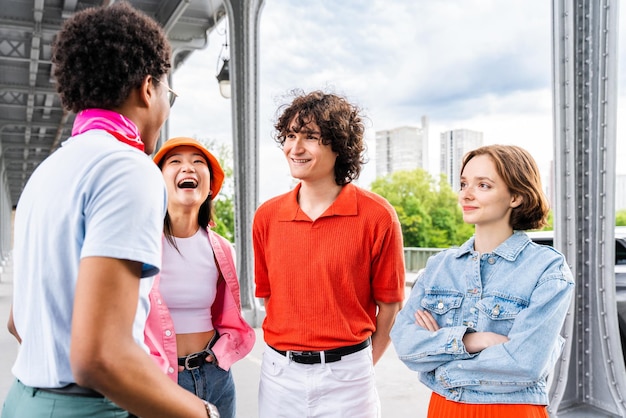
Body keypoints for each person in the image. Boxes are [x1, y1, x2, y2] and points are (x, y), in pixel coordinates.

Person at [2, 3, 218, 417]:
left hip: (23, 400)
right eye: (168, 94)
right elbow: (100, 355)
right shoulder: (127, 169)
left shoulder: (47, 172)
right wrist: (201, 413)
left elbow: (18, 322)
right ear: (148, 88)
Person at [390, 144, 575, 418]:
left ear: (516, 196)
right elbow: (405, 343)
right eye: (464, 183)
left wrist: (438, 358)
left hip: (514, 411)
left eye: (483, 185)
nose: (466, 194)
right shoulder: (439, 266)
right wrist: (475, 340)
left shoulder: (547, 268)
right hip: (444, 408)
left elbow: (526, 363)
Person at [252, 90, 406, 418]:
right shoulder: (266, 216)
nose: (295, 147)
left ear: (339, 145)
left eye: (310, 137)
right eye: (291, 135)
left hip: (349, 380)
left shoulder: (378, 215)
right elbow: (270, 299)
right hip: (280, 378)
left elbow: (390, 307)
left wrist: (357, 364)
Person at [145, 137, 256, 418]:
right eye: (175, 162)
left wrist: (222, 354)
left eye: (198, 162)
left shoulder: (222, 249)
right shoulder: (139, 244)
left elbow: (228, 315)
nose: (188, 168)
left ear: (210, 187)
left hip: (216, 377)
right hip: (159, 380)